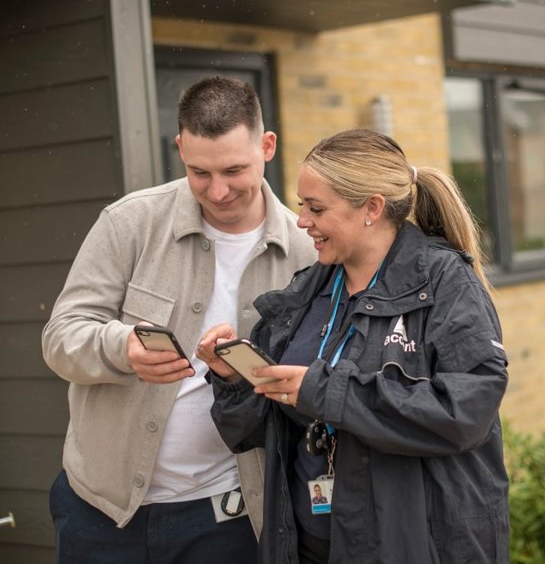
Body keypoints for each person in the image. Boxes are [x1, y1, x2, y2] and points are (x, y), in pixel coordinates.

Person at [198, 128, 510, 564]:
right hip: (310, 545)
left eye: (316, 208)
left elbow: (467, 411)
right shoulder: (309, 290)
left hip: (415, 547)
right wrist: (234, 379)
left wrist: (326, 392)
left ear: (372, 208)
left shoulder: (444, 282)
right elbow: (257, 431)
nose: (301, 219)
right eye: (302, 204)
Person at [41, 76, 316, 563]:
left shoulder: (307, 249)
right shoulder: (130, 222)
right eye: (199, 172)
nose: (219, 190)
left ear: (267, 145)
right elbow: (61, 337)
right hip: (100, 510)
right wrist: (120, 348)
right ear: (180, 148)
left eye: (234, 169)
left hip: (229, 518)